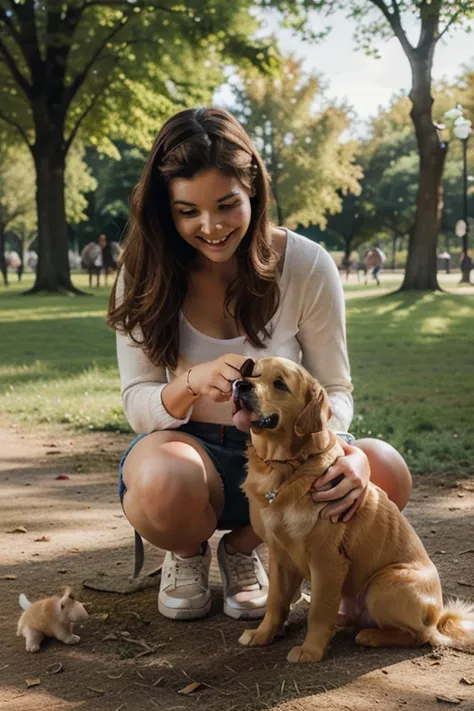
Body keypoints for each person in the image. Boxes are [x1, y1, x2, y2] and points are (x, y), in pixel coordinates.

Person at [107, 107, 412, 622]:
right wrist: (189, 383)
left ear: (254, 190)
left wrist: (341, 453)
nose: (211, 226)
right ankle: (186, 552)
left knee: (385, 471)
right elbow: (138, 402)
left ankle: (244, 549)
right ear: (165, 209)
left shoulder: (306, 264)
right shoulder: (142, 273)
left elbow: (334, 388)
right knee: (163, 482)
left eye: (228, 205)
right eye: (188, 211)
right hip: (190, 451)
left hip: (290, 455)